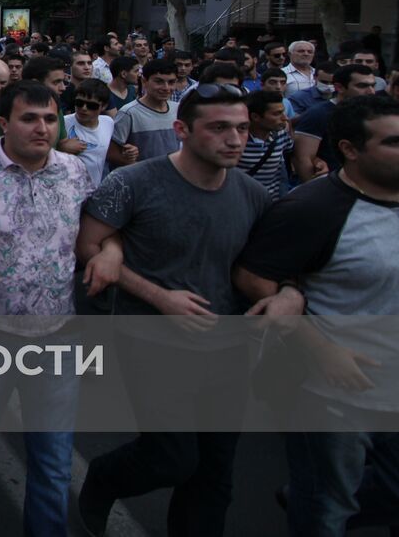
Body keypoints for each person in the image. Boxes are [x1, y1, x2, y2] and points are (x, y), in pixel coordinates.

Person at [76, 83, 271, 537]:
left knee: (215, 472)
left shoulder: (253, 194)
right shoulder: (133, 182)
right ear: (181, 129)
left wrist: (287, 296)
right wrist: (160, 297)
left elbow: (264, 268)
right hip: (151, 340)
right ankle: (105, 477)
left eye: (242, 128)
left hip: (228, 344)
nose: (235, 139)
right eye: (220, 128)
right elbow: (88, 245)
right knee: (172, 456)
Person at [233, 95, 399, 536]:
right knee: (328, 508)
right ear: (349, 149)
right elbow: (253, 279)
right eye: (393, 142)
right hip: (337, 397)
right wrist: (320, 350)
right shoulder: (313, 208)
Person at [0, 82, 95, 536]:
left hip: (58, 331)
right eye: (30, 118)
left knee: (52, 459)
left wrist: (109, 251)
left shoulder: (75, 172)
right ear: (3, 124)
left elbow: (99, 232)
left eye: (50, 119)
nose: (42, 128)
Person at [294, 64, 377, 182]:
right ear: (339, 87)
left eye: (373, 86)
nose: (371, 92)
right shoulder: (319, 114)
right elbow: (302, 158)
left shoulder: (374, 113)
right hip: (332, 186)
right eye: (362, 86)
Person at [108, 59, 180, 169]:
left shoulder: (178, 110)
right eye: (159, 82)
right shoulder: (129, 113)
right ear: (144, 81)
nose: (166, 88)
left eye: (171, 82)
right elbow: (112, 153)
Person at [238, 90, 295, 200]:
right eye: (276, 114)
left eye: (283, 112)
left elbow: (291, 153)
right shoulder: (236, 139)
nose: (285, 118)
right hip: (241, 203)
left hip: (270, 203)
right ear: (255, 117)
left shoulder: (281, 134)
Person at [63, 78, 114, 187]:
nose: (84, 108)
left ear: (104, 106)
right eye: (79, 103)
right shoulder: (62, 123)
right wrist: (60, 148)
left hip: (95, 193)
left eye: (92, 106)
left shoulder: (108, 123)